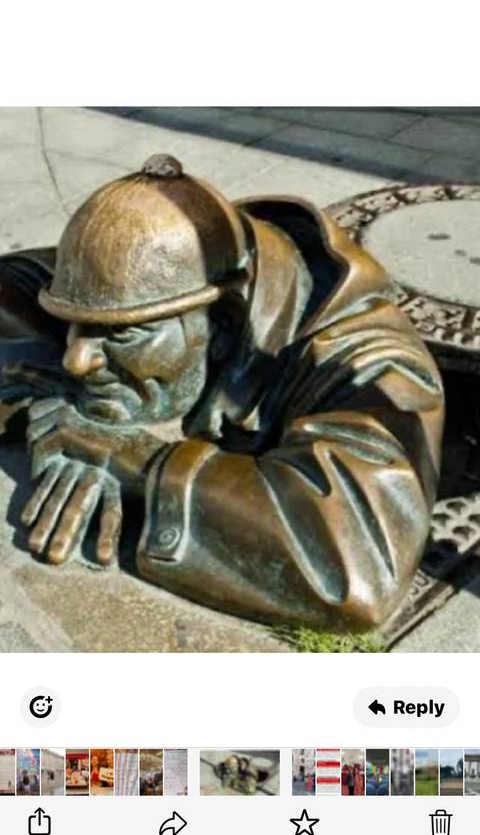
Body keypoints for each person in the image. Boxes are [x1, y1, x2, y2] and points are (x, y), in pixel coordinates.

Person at [0, 154, 444, 631]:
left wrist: (137, 462)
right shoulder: (157, 273)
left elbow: (360, 572)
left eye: (120, 335)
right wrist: (47, 397)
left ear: (225, 324)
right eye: (72, 328)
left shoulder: (369, 364)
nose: (77, 359)